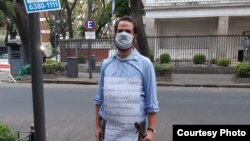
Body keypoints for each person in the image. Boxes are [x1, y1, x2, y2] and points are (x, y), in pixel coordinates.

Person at [94, 16, 159, 141]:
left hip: (135, 130)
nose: (123, 33)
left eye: (128, 31)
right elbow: (99, 99)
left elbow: (152, 102)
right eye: (120, 31)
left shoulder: (145, 64)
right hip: (108, 128)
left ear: (134, 35)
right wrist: (97, 126)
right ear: (115, 34)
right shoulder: (106, 64)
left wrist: (151, 130)